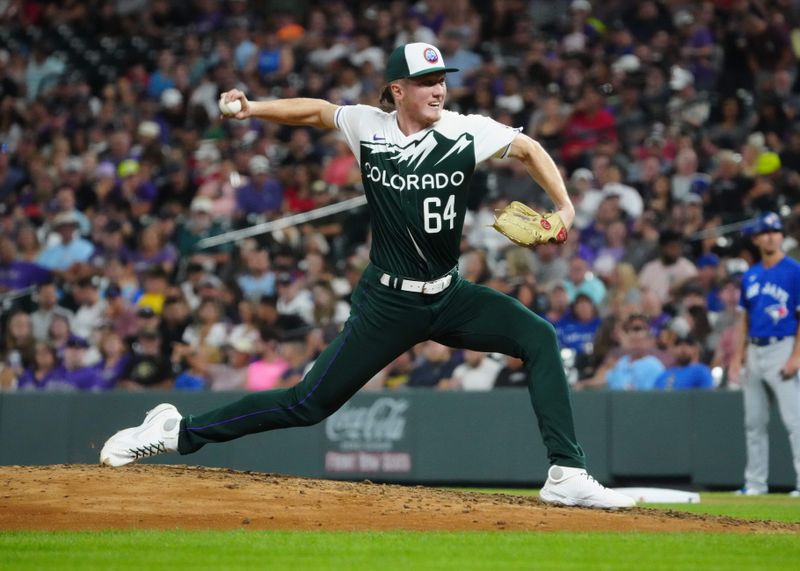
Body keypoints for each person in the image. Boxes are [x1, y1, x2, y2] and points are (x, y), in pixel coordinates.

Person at [100, 42, 634, 509]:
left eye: (442, 79)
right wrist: (253, 109)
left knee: (538, 336)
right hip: (388, 304)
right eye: (425, 81)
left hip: (450, 295)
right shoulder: (368, 127)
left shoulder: (466, 132)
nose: (438, 90)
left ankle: (565, 473)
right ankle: (176, 430)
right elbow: (317, 113)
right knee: (307, 404)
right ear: (396, 90)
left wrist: (563, 209)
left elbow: (528, 148)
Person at [729, 213, 800, 497]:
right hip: (755, 350)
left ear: (782, 236)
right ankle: (755, 484)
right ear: (757, 239)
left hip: (783, 347)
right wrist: (737, 356)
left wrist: (796, 356)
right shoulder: (751, 275)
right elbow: (744, 319)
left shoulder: (795, 271)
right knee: (753, 423)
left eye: (775, 231)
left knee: (795, 421)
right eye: (766, 232)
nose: (771, 236)